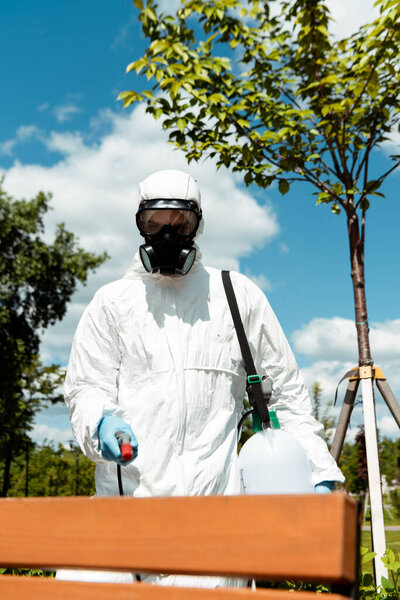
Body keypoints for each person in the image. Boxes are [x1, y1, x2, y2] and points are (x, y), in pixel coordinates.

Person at [57, 169, 344, 587]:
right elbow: (87, 387)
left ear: (198, 226)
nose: (166, 236)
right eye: (153, 225)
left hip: (216, 529)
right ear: (139, 224)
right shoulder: (112, 303)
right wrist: (100, 421)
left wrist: (317, 469)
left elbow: (287, 396)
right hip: (126, 516)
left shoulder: (236, 295)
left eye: (180, 224)